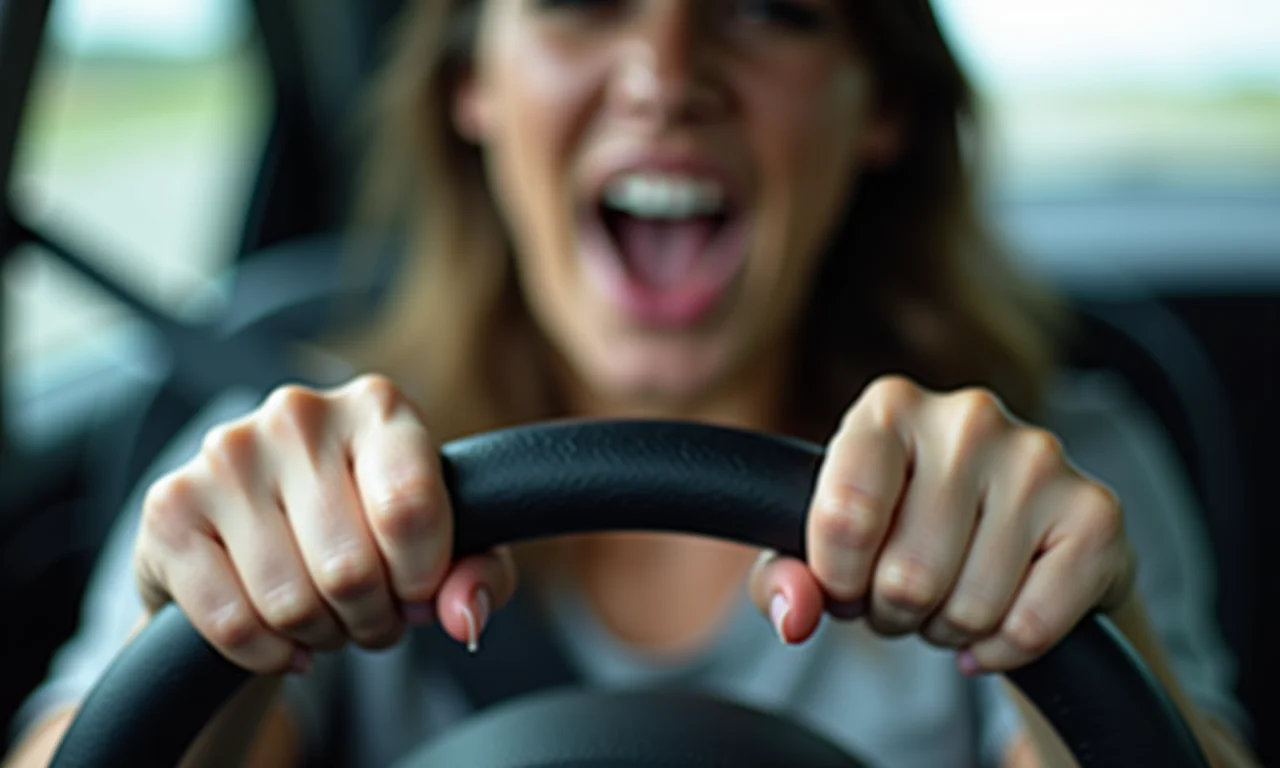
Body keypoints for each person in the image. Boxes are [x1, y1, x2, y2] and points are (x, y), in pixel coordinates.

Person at [4, 1, 1260, 766]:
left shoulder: (1045, 474)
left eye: (770, 6)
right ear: (470, 86)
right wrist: (212, 623)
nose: (666, 71)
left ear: (876, 103)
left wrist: (1075, 633)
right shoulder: (287, 475)